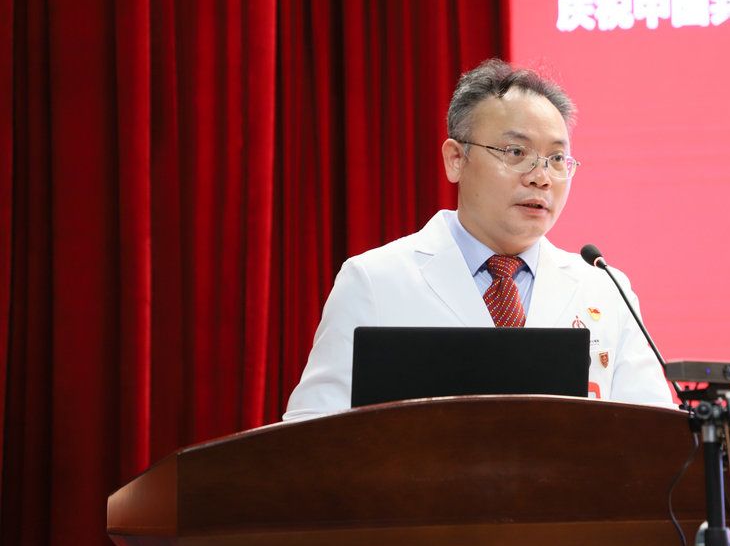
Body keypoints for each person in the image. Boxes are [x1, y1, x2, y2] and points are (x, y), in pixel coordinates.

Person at [283, 59, 673, 420]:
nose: (541, 177)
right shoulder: (374, 281)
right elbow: (312, 434)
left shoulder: (606, 289)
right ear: (456, 159)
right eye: (516, 152)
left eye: (556, 159)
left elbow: (654, 437)